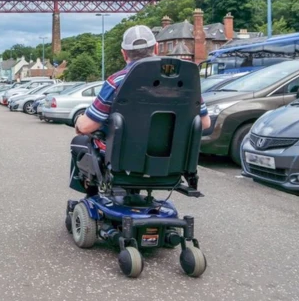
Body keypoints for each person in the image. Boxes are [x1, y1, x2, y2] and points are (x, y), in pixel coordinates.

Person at [69, 25, 211, 195]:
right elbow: (205, 122)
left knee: (79, 142)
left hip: (121, 158)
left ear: (124, 53)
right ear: (157, 48)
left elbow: (86, 127)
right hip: (172, 159)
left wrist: (78, 121)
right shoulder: (187, 82)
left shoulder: (117, 81)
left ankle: (91, 196)